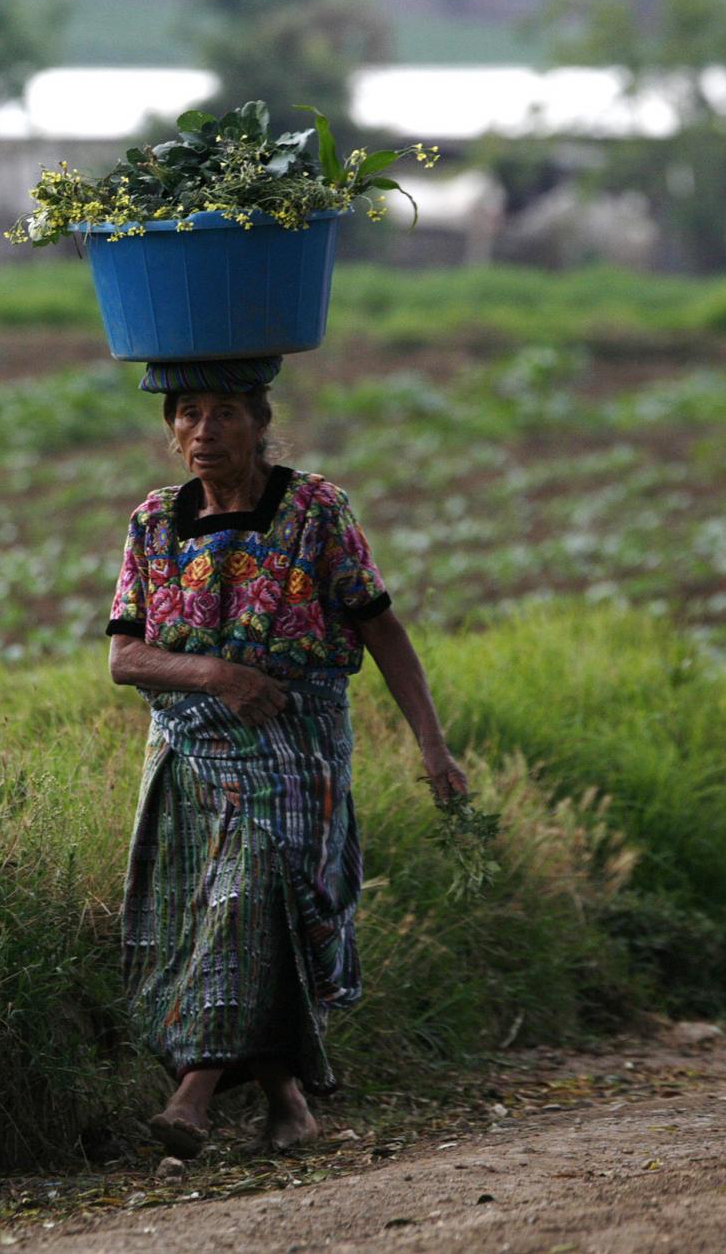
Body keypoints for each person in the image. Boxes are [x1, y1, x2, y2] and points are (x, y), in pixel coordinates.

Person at [106, 355, 468, 1159]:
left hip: (296, 749)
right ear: (171, 430)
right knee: (222, 911)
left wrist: (433, 745)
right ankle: (290, 1105)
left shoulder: (314, 510)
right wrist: (216, 674)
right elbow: (126, 660)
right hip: (194, 753)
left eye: (227, 413)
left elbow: (380, 629)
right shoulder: (153, 524)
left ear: (262, 424)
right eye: (189, 412)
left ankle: (193, 1098)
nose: (205, 430)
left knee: (256, 892)